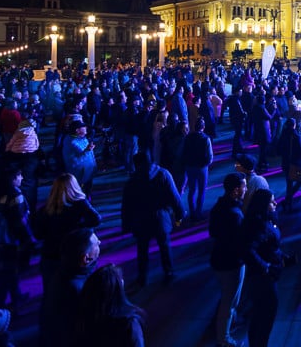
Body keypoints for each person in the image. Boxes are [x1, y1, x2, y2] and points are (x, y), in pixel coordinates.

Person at [121, 151, 185, 289]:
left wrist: (126, 225)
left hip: (141, 219)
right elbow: (174, 196)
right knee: (164, 246)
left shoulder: (132, 180)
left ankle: (142, 277)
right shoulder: (163, 174)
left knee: (142, 249)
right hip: (160, 217)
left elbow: (127, 205)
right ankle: (169, 272)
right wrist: (179, 214)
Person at [33, 174, 101, 295]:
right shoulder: (79, 205)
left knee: (51, 293)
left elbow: (38, 234)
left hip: (50, 255)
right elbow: (96, 219)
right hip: (72, 254)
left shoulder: (45, 210)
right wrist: (79, 227)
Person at [39, 228, 102, 347]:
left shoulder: (66, 272)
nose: (100, 242)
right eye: (96, 243)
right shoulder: (74, 288)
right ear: (86, 258)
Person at [241, 188, 286, 347]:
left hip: (267, 274)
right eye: (271, 201)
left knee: (260, 314)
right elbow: (248, 249)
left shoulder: (266, 220)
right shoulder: (258, 224)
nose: (275, 203)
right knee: (265, 313)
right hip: (262, 278)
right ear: (263, 204)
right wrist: (265, 266)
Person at [0, 163, 34, 309]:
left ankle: (15, 296)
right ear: (12, 178)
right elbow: (20, 221)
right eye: (19, 175)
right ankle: (3, 306)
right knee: (9, 273)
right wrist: (29, 238)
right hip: (11, 239)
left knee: (3, 272)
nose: (22, 178)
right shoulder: (16, 195)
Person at [210, 172, 247, 347]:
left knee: (227, 298)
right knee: (230, 301)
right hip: (232, 262)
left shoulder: (219, 207)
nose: (246, 189)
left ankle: (224, 330)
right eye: (244, 186)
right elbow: (240, 240)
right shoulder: (235, 214)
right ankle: (223, 338)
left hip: (219, 259)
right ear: (235, 190)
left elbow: (213, 232)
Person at [74, 264, 146, 347]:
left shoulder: (86, 317)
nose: (123, 281)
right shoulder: (128, 322)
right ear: (117, 288)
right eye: (121, 279)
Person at [181, 117, 214, 221]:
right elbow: (210, 156)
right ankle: (198, 212)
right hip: (201, 167)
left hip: (190, 166)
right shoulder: (206, 139)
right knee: (201, 191)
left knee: (191, 190)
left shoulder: (187, 137)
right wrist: (207, 164)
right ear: (203, 127)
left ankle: (192, 212)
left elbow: (183, 151)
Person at [278, 118, 301, 213]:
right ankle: (287, 200)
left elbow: (278, 149)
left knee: (289, 183)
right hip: (294, 163)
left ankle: (288, 203)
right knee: (300, 180)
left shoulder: (283, 134)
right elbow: (300, 151)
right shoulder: (295, 135)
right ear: (294, 125)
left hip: (285, 162)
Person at [63, 120, 97, 197]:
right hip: (80, 174)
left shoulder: (81, 138)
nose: (86, 128)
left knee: (88, 191)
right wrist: (88, 150)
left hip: (87, 172)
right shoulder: (72, 142)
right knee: (80, 193)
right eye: (83, 127)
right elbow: (77, 160)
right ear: (77, 130)